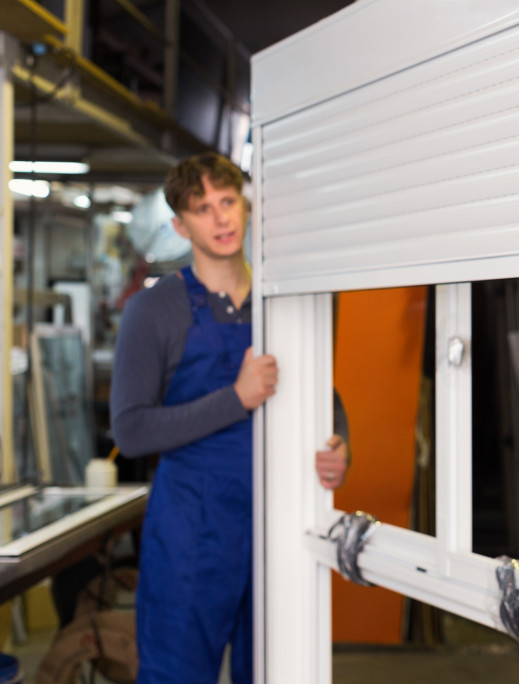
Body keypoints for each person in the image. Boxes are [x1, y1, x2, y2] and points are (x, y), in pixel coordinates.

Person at [111, 152, 350, 683]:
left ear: (246, 206)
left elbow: (322, 395)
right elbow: (131, 431)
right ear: (180, 225)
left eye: (227, 202)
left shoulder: (287, 299)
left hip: (279, 528)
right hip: (191, 535)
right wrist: (235, 399)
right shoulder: (154, 311)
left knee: (277, 671)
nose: (221, 219)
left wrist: (340, 444)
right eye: (202, 209)